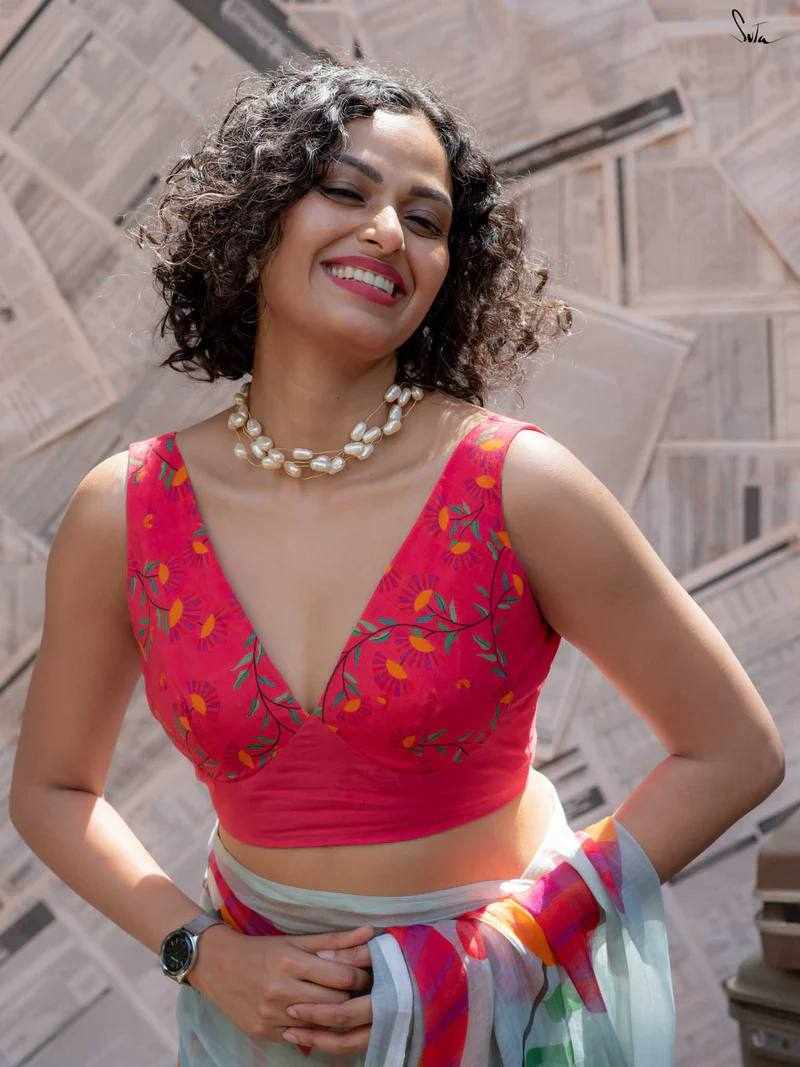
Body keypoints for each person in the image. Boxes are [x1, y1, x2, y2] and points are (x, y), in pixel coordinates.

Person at [9, 55, 785, 1067]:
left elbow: (732, 749)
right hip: (257, 1030)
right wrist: (201, 952)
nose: (388, 232)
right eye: (345, 190)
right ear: (256, 219)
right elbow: (53, 789)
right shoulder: (127, 509)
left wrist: (500, 952)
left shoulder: (518, 486)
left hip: (504, 1025)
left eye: (425, 219)